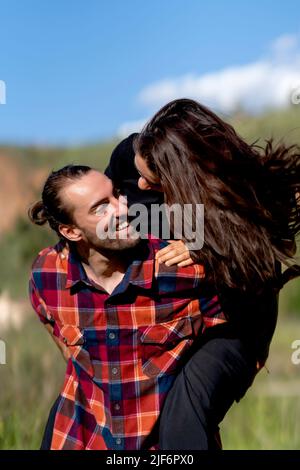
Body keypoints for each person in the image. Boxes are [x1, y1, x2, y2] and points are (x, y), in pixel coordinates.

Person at [130, 98, 300, 449]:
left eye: (152, 180)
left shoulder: (247, 200)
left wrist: (205, 249)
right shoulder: (137, 161)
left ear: (182, 177)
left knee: (184, 413)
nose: (141, 186)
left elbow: (255, 272)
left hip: (236, 329)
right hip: (179, 319)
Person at [28, 165, 228, 450]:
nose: (122, 209)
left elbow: (244, 314)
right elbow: (60, 338)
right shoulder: (46, 274)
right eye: (100, 208)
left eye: (117, 195)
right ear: (71, 231)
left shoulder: (178, 269)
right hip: (78, 439)